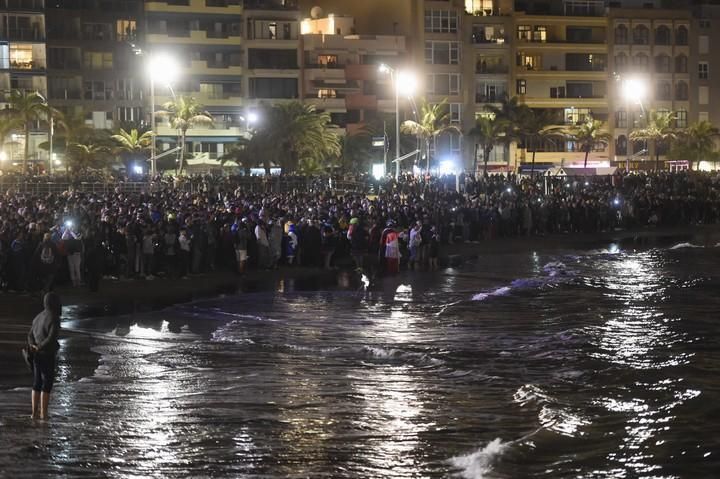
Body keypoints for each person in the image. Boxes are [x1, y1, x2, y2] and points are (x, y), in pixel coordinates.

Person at [27, 292, 62, 420]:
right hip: (47, 354)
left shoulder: (37, 317)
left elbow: (30, 335)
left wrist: (33, 346)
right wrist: (40, 347)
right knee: (46, 384)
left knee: (36, 383)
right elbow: (51, 338)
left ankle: (34, 413)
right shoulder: (54, 317)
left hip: (36, 355)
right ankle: (44, 414)